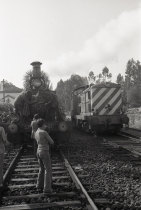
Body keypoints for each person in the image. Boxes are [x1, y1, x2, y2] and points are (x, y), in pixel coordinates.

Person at [35, 119, 54, 193]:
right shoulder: (44, 132)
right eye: (45, 124)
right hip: (44, 151)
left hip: (38, 151)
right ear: (43, 124)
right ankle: (47, 189)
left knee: (41, 169)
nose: (46, 125)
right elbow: (52, 142)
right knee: (48, 170)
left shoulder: (36, 132)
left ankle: (39, 185)